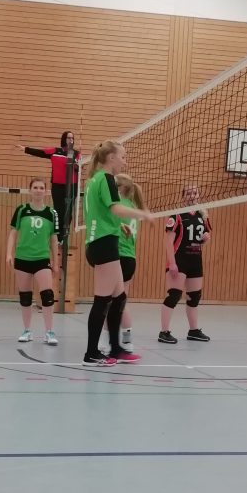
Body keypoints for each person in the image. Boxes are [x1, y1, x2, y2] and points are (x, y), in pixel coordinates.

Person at [83, 141, 153, 366]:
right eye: (123, 156)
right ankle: (91, 353)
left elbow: (102, 212)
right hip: (103, 243)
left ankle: (116, 349)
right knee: (102, 300)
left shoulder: (94, 180)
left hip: (102, 241)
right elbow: (116, 208)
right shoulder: (106, 178)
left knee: (119, 298)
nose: (125, 160)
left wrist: (118, 226)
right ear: (111, 157)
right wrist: (143, 214)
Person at [5, 177, 59, 345]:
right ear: (30, 190)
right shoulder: (22, 209)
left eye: (41, 188)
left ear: (46, 191)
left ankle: (49, 332)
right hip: (22, 258)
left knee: (47, 295)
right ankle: (27, 330)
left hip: (42, 258)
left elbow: (54, 239)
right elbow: (13, 233)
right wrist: (9, 253)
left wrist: (55, 261)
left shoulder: (51, 213)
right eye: (35, 187)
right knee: (25, 297)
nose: (38, 190)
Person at [158, 183, 211, 344]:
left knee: (194, 297)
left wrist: (205, 239)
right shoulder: (177, 216)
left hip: (195, 260)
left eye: (194, 193)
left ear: (199, 195)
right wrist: (172, 263)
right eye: (188, 193)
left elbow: (203, 238)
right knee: (174, 295)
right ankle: (164, 332)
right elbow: (168, 242)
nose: (192, 196)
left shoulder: (203, 215)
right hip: (179, 260)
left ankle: (193, 331)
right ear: (183, 197)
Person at [15, 131, 79, 241]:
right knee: (58, 212)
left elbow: (79, 169)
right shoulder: (55, 151)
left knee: (68, 213)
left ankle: (64, 237)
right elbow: (41, 152)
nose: (70, 140)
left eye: (72, 138)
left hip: (72, 186)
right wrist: (25, 149)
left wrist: (75, 163)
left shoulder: (76, 154)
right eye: (68, 138)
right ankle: (58, 238)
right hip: (57, 186)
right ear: (64, 139)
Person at [114, 173, 143, 350]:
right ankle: (127, 340)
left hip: (117, 256)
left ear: (121, 188)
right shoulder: (133, 208)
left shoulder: (118, 206)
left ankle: (106, 342)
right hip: (130, 258)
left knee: (110, 302)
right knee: (122, 302)